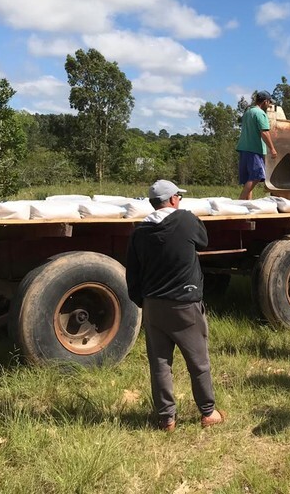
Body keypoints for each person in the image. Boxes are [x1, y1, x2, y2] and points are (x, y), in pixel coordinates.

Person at [126, 179, 226, 431]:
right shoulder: (185, 220)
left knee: (160, 364)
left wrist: (143, 301)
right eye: (178, 197)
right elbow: (203, 241)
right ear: (172, 199)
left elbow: (133, 274)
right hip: (185, 304)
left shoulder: (139, 232)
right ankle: (208, 412)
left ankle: (166, 418)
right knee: (198, 362)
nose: (179, 201)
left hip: (153, 305)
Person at [237, 91, 278, 200]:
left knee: (248, 179)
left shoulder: (248, 112)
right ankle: (240, 202)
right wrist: (272, 149)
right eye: (269, 102)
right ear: (265, 101)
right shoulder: (260, 113)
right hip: (254, 149)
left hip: (244, 148)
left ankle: (248, 204)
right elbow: (264, 132)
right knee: (257, 176)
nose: (269, 105)